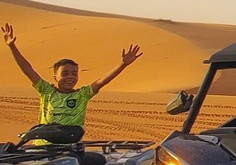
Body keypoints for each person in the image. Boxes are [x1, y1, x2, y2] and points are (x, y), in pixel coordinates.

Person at [2, 23, 143, 129]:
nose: (70, 77)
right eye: (65, 73)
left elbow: (101, 81)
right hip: (43, 147)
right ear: (55, 77)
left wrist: (122, 64)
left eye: (74, 73)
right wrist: (12, 47)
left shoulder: (82, 95)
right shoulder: (46, 91)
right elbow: (28, 70)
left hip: (71, 149)